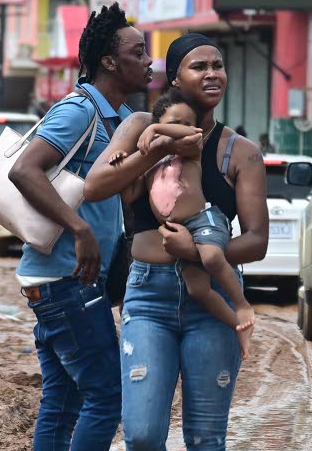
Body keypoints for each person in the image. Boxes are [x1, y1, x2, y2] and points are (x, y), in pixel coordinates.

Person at [83, 33, 268, 451]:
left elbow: (257, 241)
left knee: (206, 438)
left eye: (219, 65)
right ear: (172, 76)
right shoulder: (141, 125)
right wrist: (154, 148)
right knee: (140, 432)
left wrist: (200, 253)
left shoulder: (239, 152)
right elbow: (97, 185)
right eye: (198, 65)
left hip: (207, 300)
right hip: (147, 300)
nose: (212, 73)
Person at [8, 3, 152, 451]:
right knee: (105, 398)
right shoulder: (80, 111)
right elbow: (25, 169)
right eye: (138, 52)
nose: (147, 60)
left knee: (62, 405)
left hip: (55, 282)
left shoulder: (110, 114)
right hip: (65, 281)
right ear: (108, 61)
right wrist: (80, 228)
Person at [106, 89, 255, 357]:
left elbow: (191, 135)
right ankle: (238, 325)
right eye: (176, 122)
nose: (184, 128)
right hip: (178, 233)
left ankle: (242, 304)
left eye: (188, 122)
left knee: (211, 257)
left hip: (204, 221)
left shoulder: (192, 151)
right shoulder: (150, 161)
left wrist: (155, 129)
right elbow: (129, 193)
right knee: (198, 289)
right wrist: (123, 161)